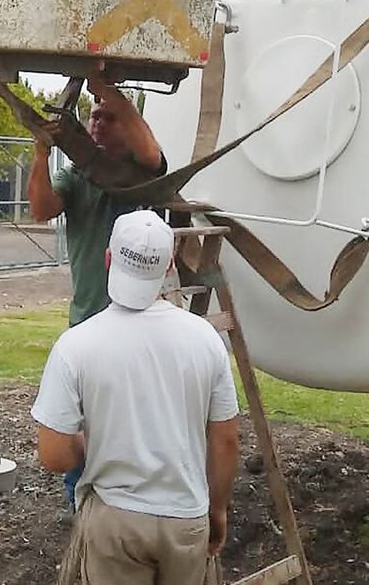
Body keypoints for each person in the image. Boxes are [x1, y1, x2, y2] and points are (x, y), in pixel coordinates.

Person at [32, 210, 241, 585]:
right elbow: (225, 439)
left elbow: (53, 454)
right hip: (186, 520)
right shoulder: (206, 340)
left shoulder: (76, 346)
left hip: (116, 520)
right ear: (169, 267)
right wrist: (218, 509)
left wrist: (96, 443)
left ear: (109, 258)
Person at [28, 69, 166, 510]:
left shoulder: (143, 173)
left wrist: (105, 87)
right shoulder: (77, 177)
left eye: (108, 118)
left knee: (134, 416)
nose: (97, 124)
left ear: (128, 124)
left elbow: (149, 149)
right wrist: (39, 152)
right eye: (93, 117)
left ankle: (130, 495)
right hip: (89, 317)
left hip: (141, 324)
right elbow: (41, 209)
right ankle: (82, 501)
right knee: (83, 419)